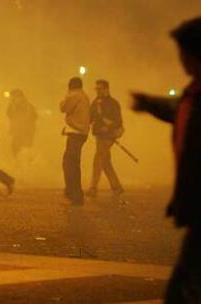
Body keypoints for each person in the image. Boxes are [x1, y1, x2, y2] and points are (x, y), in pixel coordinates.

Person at [132, 17, 201, 304]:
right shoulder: (194, 93)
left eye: (183, 53)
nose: (181, 60)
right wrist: (149, 104)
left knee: (182, 291)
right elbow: (180, 111)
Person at [87, 80, 124, 198]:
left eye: (100, 89)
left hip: (109, 136)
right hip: (99, 135)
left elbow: (118, 121)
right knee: (105, 162)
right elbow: (90, 118)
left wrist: (108, 127)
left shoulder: (113, 103)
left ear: (106, 89)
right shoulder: (95, 103)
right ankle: (117, 187)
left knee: (98, 158)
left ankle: (93, 188)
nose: (97, 91)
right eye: (96, 89)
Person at [60, 77, 90, 205]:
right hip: (80, 132)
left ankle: (75, 195)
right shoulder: (84, 96)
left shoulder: (74, 95)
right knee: (72, 163)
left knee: (70, 164)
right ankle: (73, 193)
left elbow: (63, 108)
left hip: (76, 132)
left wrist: (65, 98)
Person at [7, 89, 37, 157]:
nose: (13, 99)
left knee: (24, 151)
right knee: (15, 148)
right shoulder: (14, 106)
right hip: (18, 132)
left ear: (20, 97)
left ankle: (26, 165)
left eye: (14, 97)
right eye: (12, 97)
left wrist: (28, 130)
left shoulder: (28, 106)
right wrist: (11, 106)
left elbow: (33, 117)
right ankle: (20, 164)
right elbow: (9, 114)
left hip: (26, 132)